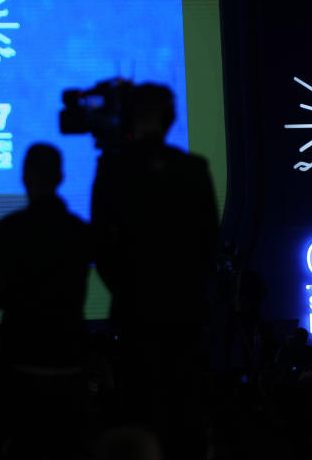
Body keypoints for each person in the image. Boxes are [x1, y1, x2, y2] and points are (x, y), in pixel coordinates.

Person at [91, 83, 219, 459]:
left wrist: (129, 290)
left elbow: (102, 245)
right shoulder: (193, 170)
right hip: (184, 317)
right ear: (170, 119)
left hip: (136, 316)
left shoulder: (114, 169)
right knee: (184, 418)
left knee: (141, 415)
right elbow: (208, 244)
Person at [0, 143, 92, 458]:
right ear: (60, 177)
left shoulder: (8, 231)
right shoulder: (79, 232)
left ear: (25, 177)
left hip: (19, 369)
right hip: (69, 365)